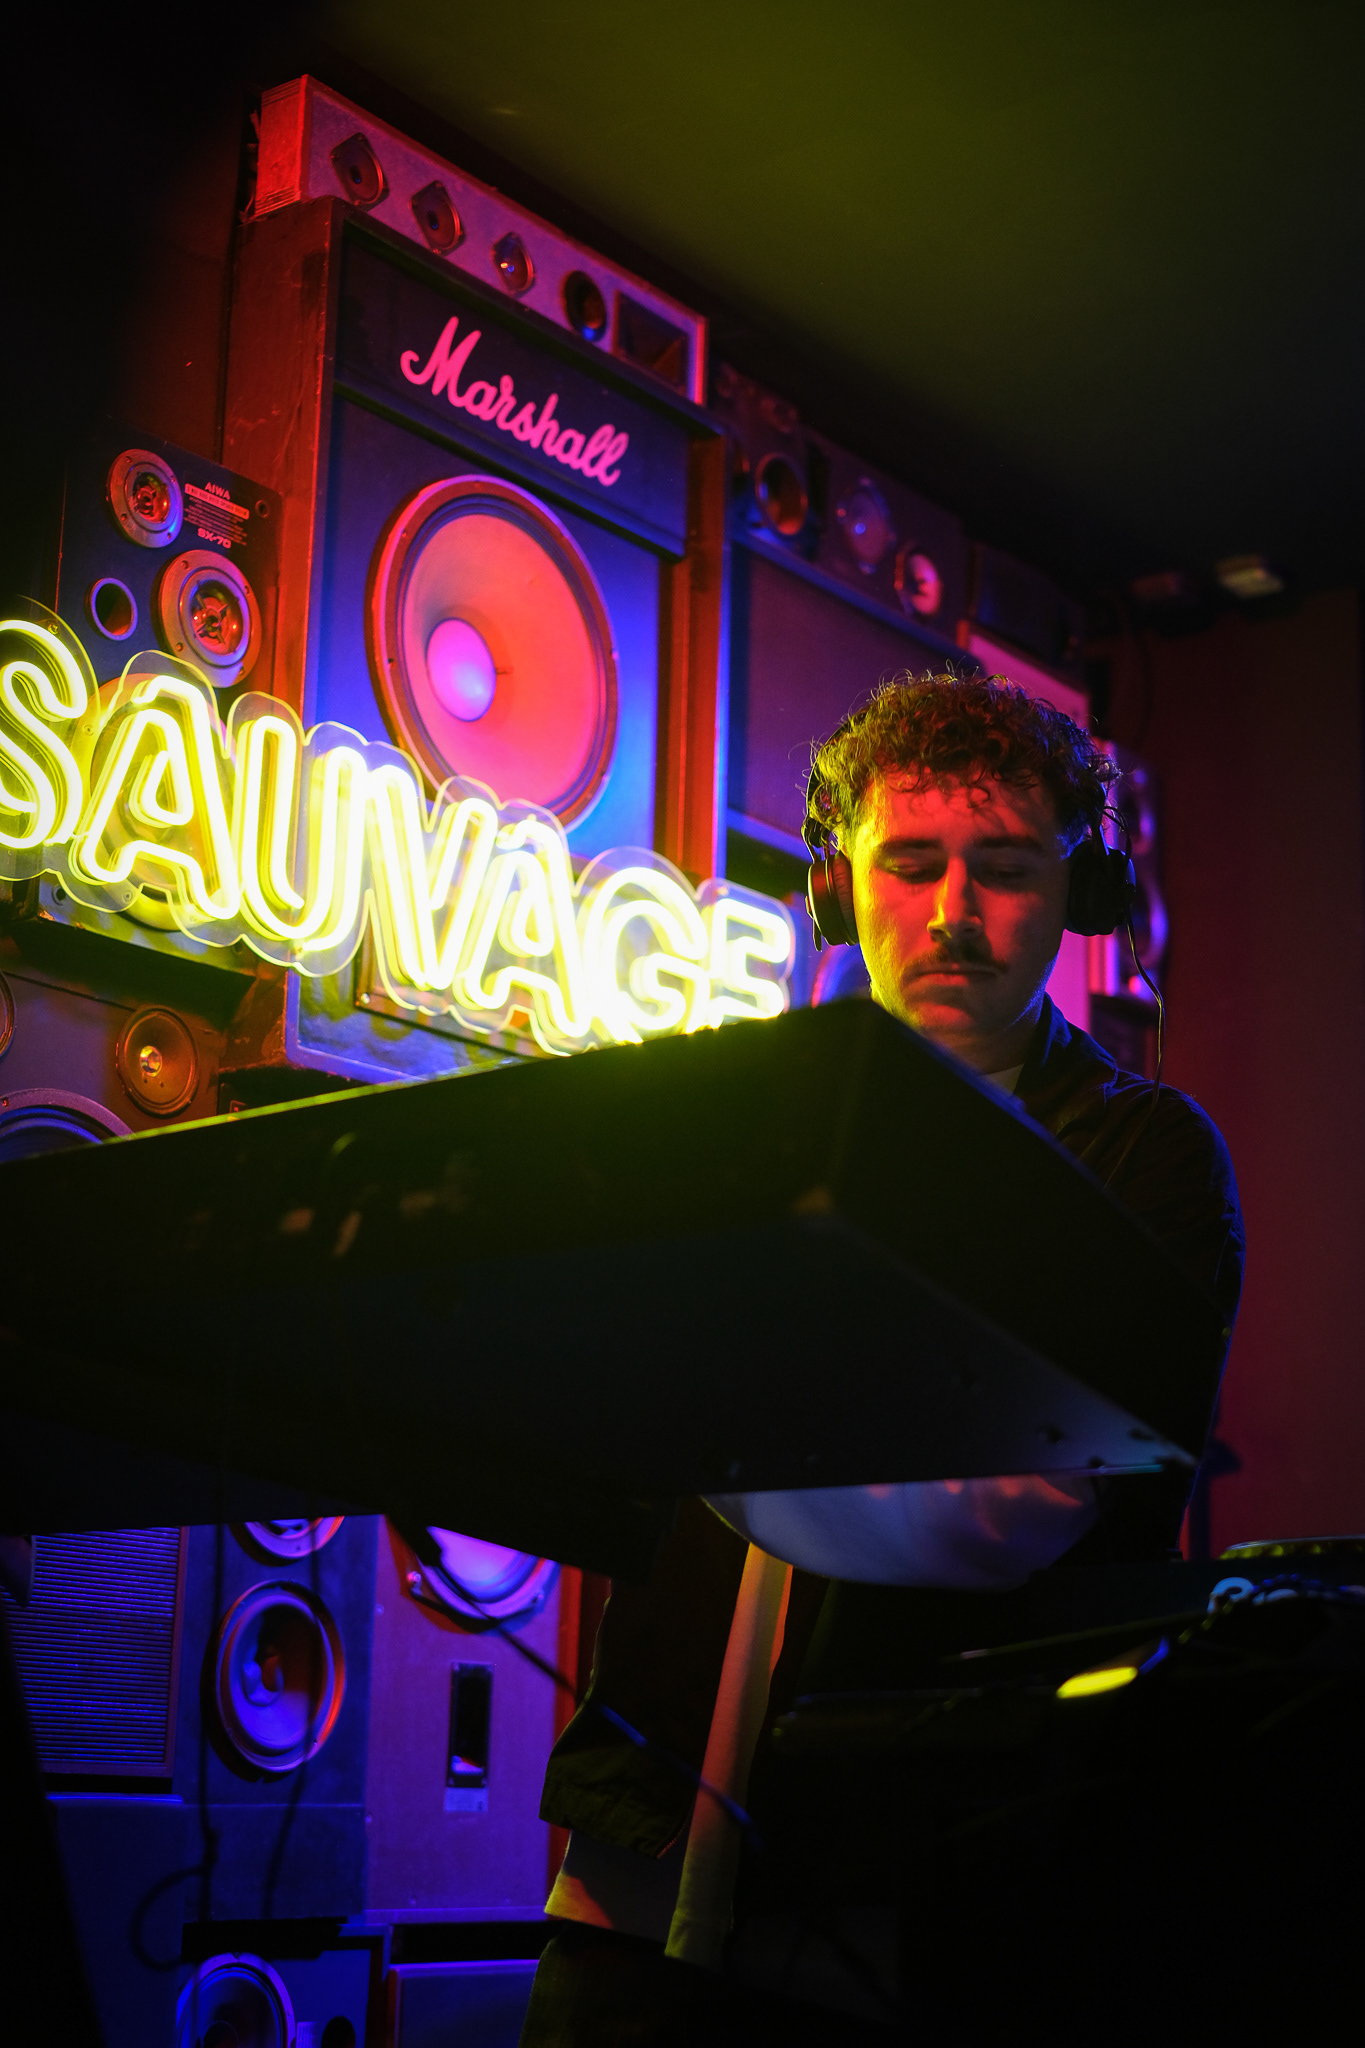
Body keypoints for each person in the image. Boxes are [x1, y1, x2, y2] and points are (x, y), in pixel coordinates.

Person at [519, 673, 1244, 2045]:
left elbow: (1033, 1505)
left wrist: (737, 1419)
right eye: (910, 864)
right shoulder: (736, 1113)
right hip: (639, 1852)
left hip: (944, 1873)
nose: (954, 912)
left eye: (1005, 868)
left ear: (1077, 896)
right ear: (839, 885)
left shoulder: (1146, 1156)